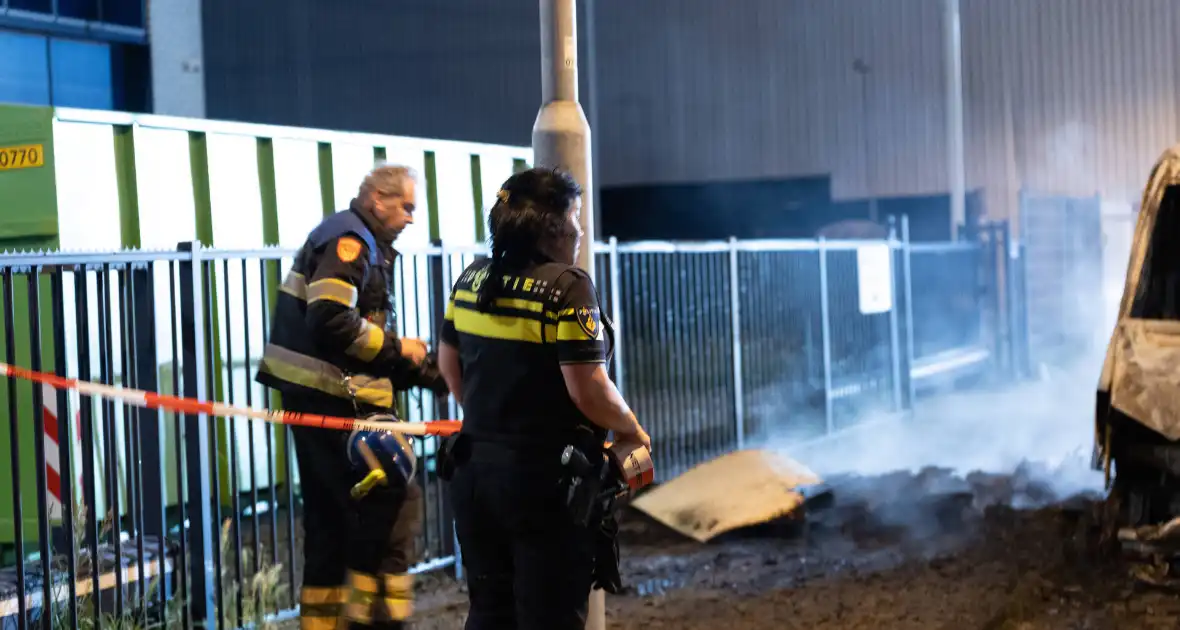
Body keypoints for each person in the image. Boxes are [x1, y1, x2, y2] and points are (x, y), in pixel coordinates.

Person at [436, 167, 651, 629]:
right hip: (544, 486)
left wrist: (487, 420)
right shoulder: (567, 287)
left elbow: (448, 366)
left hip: (475, 474)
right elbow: (587, 385)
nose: (579, 230)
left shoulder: (470, 280)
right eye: (575, 217)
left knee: (490, 614)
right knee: (548, 618)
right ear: (554, 228)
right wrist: (631, 429)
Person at [255, 164, 449, 629]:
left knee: (330, 523)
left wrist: (418, 368)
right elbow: (331, 320)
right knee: (386, 509)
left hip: (325, 401)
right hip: (334, 404)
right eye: (406, 207)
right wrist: (401, 349)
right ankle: (374, 622)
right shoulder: (350, 241)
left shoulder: (360, 241)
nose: (411, 219)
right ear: (377, 200)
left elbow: (355, 334)